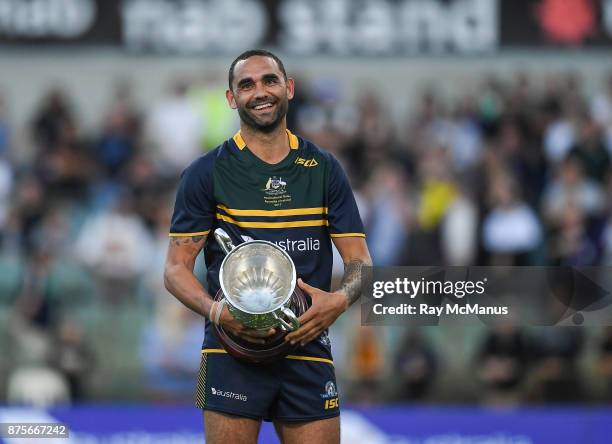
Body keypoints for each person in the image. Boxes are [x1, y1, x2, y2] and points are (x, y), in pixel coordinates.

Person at [164, 49, 371, 444]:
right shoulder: (205, 172)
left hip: (307, 342)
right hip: (228, 350)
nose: (260, 91)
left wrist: (341, 300)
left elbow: (360, 261)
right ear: (231, 98)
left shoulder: (325, 168)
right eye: (247, 84)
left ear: (288, 88)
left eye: (269, 80)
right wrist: (217, 312)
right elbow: (174, 270)